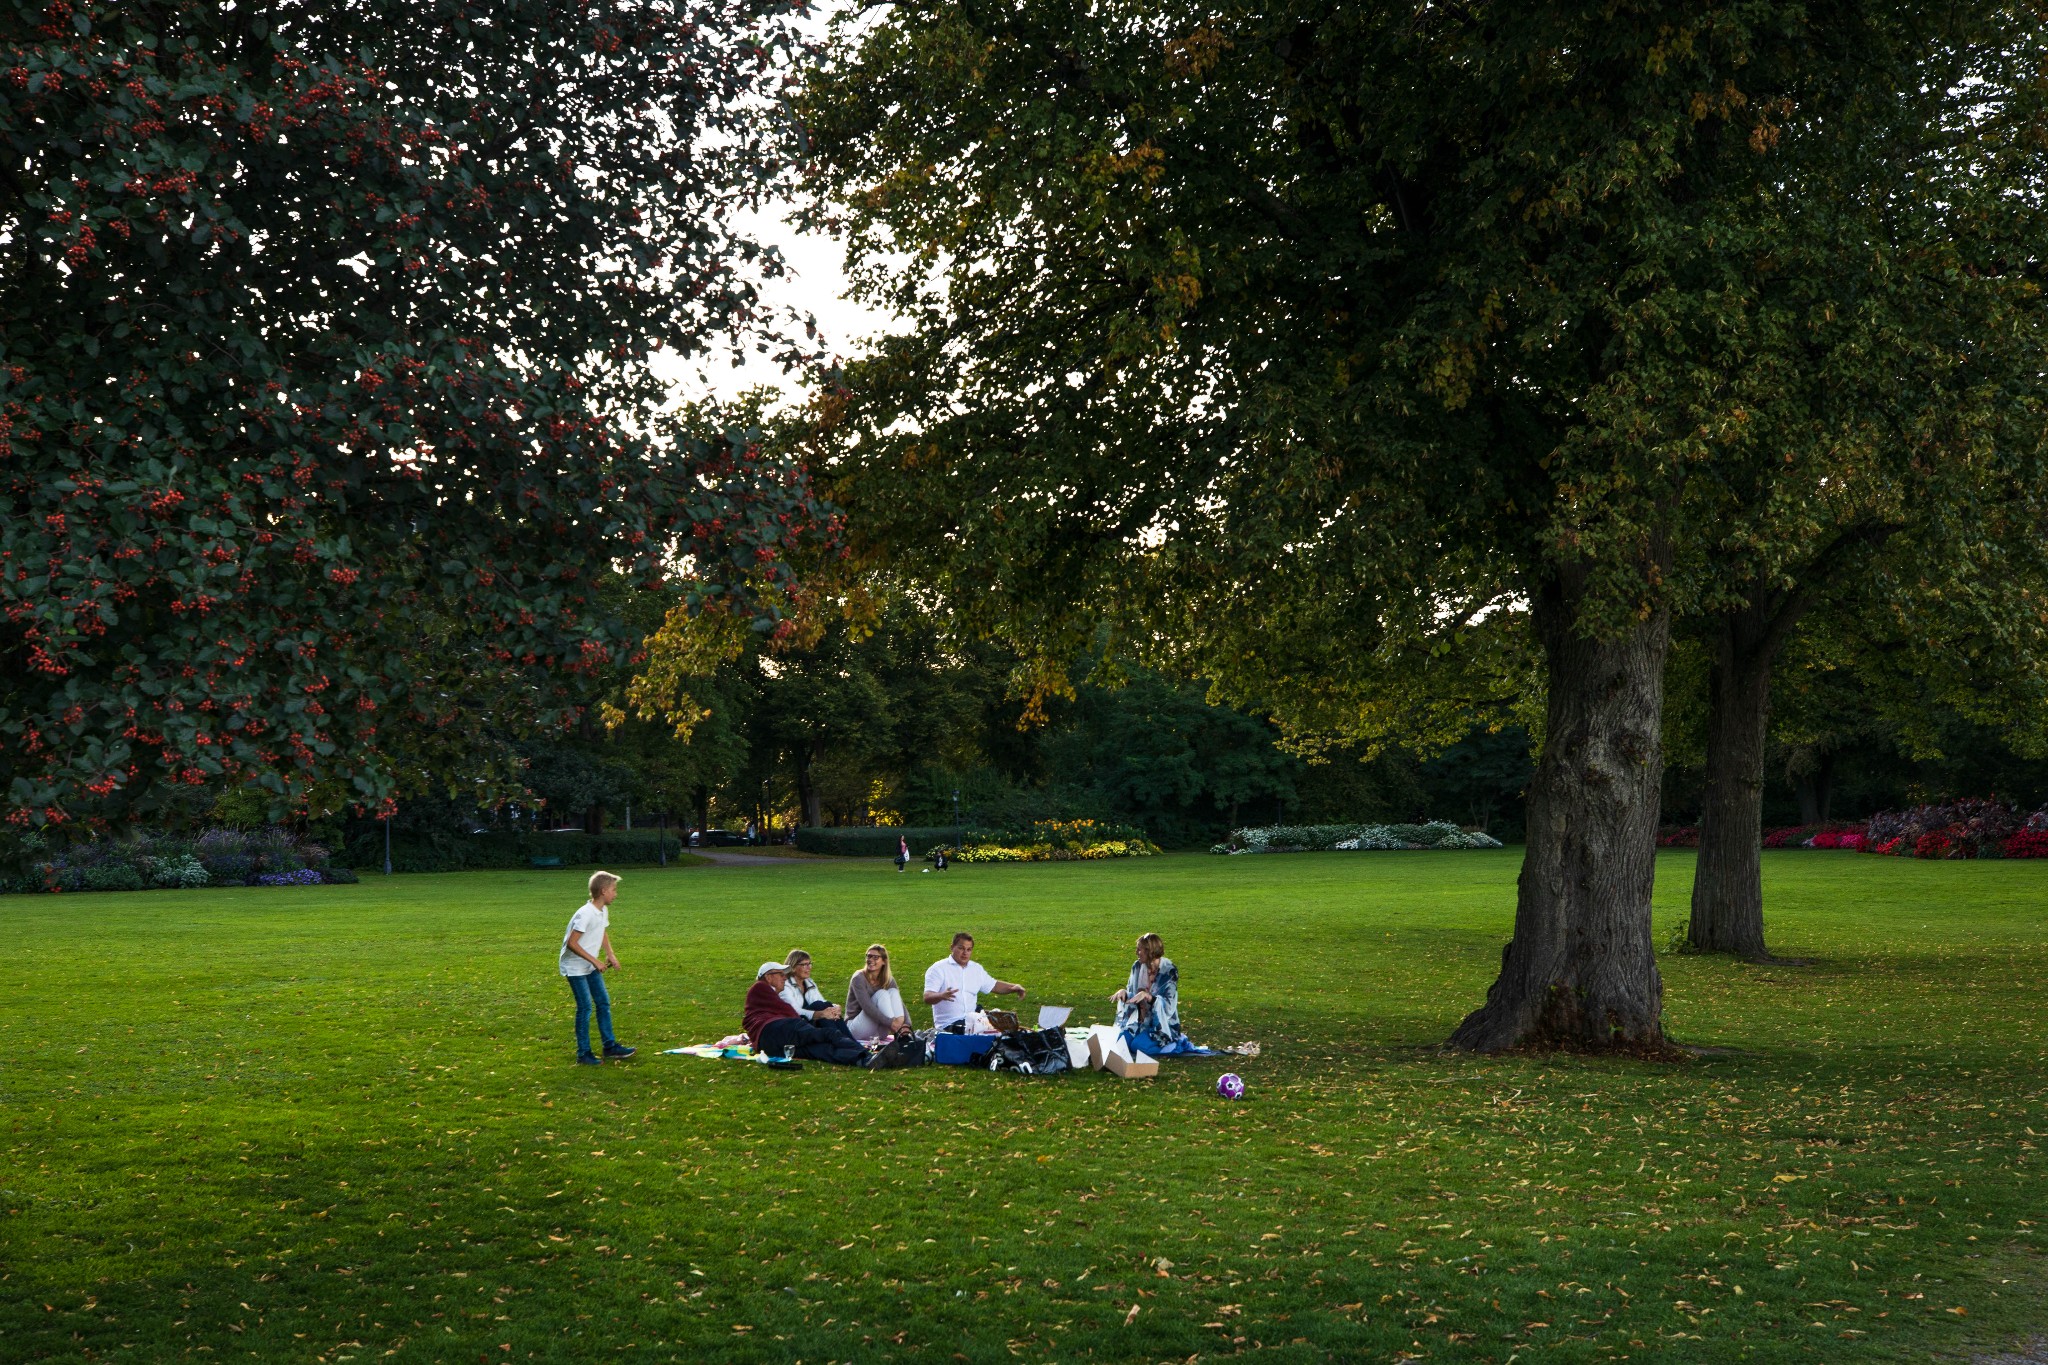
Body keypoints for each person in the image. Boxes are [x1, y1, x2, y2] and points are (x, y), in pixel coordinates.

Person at [558, 870, 636, 1066]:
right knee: (585, 1008)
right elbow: (571, 943)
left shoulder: (602, 910)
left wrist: (610, 954)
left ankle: (609, 1047)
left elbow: (602, 931)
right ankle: (583, 1054)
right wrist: (595, 961)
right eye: (613, 890)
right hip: (575, 967)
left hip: (589, 964)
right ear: (603, 891)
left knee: (603, 1002)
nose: (616, 894)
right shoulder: (585, 914)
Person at [1112, 932, 1214, 1057]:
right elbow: (1133, 995)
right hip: (1140, 1021)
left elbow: (1169, 1006)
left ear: (1150, 951)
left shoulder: (1169, 971)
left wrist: (1149, 997)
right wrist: (1124, 993)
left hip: (1161, 1024)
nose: (1136, 953)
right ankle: (1141, 1036)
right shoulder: (1137, 966)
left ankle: (1176, 1044)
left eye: (1139, 950)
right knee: (1120, 1043)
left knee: (1137, 1046)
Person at [744, 962, 866, 1065]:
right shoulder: (760, 987)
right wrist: (806, 1024)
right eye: (781, 974)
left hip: (768, 1046)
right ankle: (866, 1054)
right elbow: (789, 1012)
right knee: (829, 1034)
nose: (784, 978)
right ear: (768, 977)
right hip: (777, 1030)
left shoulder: (765, 996)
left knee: (819, 1050)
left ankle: (862, 1060)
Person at [923, 932, 1025, 1032]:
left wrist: (1014, 987)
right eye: (961, 948)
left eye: (969, 949)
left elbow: (993, 986)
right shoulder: (938, 968)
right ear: (952, 947)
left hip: (973, 1021)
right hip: (949, 1025)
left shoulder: (976, 969)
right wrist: (941, 995)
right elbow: (927, 997)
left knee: (1005, 1031)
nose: (965, 953)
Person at [781, 949, 859, 1045]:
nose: (808, 968)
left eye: (809, 964)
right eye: (804, 965)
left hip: (812, 1022)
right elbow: (794, 1011)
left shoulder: (809, 982)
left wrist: (835, 1007)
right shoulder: (785, 986)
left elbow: (823, 1003)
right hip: (796, 1024)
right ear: (793, 966)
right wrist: (820, 1014)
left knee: (828, 1007)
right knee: (819, 1006)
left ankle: (852, 1043)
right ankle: (847, 1044)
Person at [845, 943, 913, 1043]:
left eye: (875, 957)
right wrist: (891, 1023)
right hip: (856, 1028)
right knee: (882, 994)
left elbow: (900, 1004)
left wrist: (907, 1024)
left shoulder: (888, 980)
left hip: (879, 1032)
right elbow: (868, 1007)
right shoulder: (858, 978)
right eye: (869, 956)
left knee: (893, 992)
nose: (871, 960)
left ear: (884, 961)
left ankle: (901, 1032)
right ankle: (898, 1030)